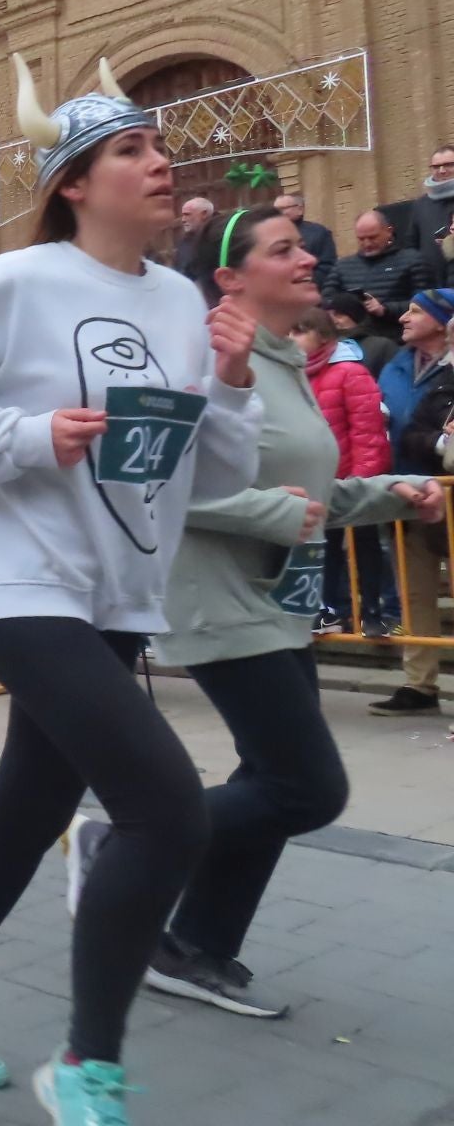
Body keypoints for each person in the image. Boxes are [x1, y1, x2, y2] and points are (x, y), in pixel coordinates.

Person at [0, 56, 261, 1121]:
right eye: (131, 148)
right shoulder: (12, 284)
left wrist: (228, 386)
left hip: (112, 589)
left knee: (25, 811)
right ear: (74, 183)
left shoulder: (183, 305)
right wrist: (26, 437)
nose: (159, 160)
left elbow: (213, 470)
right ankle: (88, 1064)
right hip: (7, 578)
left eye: (159, 144)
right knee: (166, 810)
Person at [120, 207, 440, 1018]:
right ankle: (128, 847)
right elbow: (149, 479)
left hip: (280, 602)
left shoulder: (286, 361)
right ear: (230, 279)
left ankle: (193, 946)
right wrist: (270, 515)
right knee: (306, 789)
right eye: (285, 250)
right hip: (218, 602)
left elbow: (310, 496)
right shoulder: (198, 360)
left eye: (305, 247)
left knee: (268, 779)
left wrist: (390, 495)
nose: (309, 260)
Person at [372, 287, 454, 714]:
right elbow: (402, 429)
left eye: (415, 312)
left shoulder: (450, 369)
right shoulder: (398, 364)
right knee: (416, 593)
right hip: (408, 489)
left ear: (443, 322)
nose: (403, 318)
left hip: (449, 493)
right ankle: (420, 685)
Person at [294, 310, 393, 638]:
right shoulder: (297, 374)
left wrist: (361, 478)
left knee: (365, 546)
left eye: (299, 332)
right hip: (320, 482)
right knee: (325, 547)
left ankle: (372, 611)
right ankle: (329, 610)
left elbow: (368, 432)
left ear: (322, 336)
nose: (290, 339)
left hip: (352, 480)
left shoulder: (351, 372)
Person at [327, 210, 434, 340]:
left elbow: (426, 304)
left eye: (372, 237)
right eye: (361, 239)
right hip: (351, 342)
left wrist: (384, 309)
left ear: (389, 231)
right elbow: (326, 299)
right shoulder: (342, 266)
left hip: (396, 339)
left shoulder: (413, 260)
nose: (367, 243)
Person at [377, 143, 454, 282]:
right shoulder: (421, 204)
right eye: (436, 166)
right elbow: (411, 244)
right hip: (431, 282)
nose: (442, 170)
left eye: (449, 164)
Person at [324, 292, 397, 379]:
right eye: (328, 316)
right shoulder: (322, 347)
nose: (333, 320)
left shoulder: (382, 346)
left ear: (355, 316)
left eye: (339, 315)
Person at [274, 192, 338, 279]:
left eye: (283, 208)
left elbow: (328, 267)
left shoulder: (318, 232)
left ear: (300, 209)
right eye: (275, 210)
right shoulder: (269, 235)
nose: (278, 213)